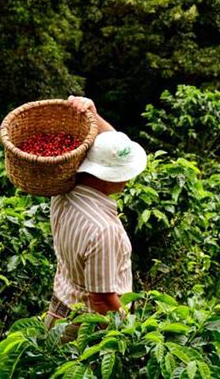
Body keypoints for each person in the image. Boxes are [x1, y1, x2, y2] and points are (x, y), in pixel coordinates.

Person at [44, 95, 147, 339]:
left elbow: (111, 148)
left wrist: (93, 114)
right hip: (85, 332)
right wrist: (134, 340)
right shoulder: (104, 229)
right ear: (109, 176)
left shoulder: (62, 190)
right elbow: (101, 301)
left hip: (58, 315)